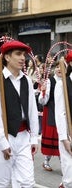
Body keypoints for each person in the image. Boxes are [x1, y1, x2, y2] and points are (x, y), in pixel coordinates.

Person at [0, 40, 39, 187]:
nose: (23, 58)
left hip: (24, 137)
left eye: (24, 54)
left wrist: (34, 137)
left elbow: (32, 110)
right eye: (18, 54)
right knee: (2, 182)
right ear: (7, 57)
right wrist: (2, 142)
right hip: (5, 135)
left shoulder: (27, 80)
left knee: (27, 182)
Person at [38, 61, 61, 171]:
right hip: (51, 111)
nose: (59, 69)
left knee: (62, 138)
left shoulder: (67, 81)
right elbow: (42, 101)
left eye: (62, 67)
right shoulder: (50, 81)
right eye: (57, 67)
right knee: (53, 136)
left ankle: (64, 164)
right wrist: (43, 92)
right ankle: (46, 160)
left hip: (62, 112)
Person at [54, 51, 72, 188]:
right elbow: (60, 113)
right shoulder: (63, 84)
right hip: (69, 132)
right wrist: (64, 137)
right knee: (69, 174)